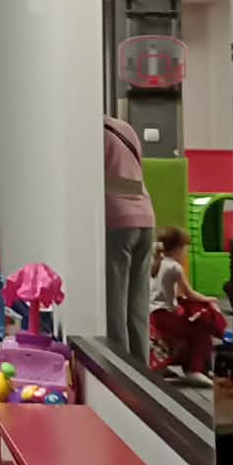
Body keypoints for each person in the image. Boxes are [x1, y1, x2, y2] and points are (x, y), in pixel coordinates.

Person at [103, 113, 156, 367]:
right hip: (146, 217)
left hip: (117, 221)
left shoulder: (94, 135)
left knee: (115, 303)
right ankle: (141, 369)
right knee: (138, 304)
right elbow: (135, 175)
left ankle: (120, 368)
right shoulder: (125, 129)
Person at [147, 227, 223, 383]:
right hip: (166, 315)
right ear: (178, 249)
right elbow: (190, 293)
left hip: (153, 315)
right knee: (202, 330)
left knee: (187, 331)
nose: (185, 254)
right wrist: (209, 299)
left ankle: (190, 368)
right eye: (185, 250)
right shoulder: (175, 267)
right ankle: (193, 370)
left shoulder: (155, 262)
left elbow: (163, 292)